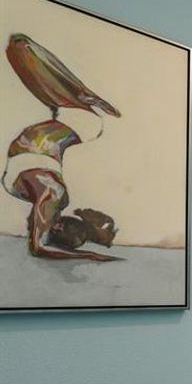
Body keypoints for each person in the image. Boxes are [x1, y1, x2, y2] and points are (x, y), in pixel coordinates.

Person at [2, 34, 120, 261]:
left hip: (32, 156)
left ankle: (78, 93)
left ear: (59, 228)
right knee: (88, 119)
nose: (107, 223)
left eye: (107, 226)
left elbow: (39, 247)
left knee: (89, 120)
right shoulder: (56, 195)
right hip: (35, 157)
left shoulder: (53, 193)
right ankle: (80, 95)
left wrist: (89, 255)